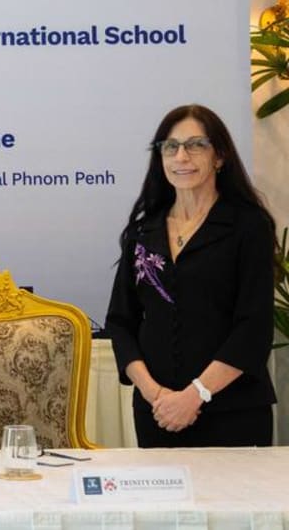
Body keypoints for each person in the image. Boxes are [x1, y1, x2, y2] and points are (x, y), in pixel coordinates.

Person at [105, 104, 277, 447]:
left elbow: (253, 327)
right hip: (158, 412)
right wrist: (156, 395)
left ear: (220, 156)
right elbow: (121, 322)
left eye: (196, 145)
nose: (181, 156)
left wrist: (195, 395)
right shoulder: (143, 232)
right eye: (170, 146)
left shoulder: (248, 226)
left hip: (232, 411)